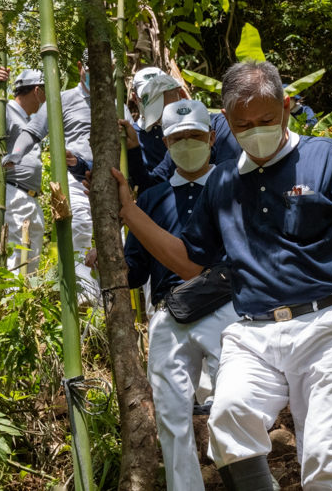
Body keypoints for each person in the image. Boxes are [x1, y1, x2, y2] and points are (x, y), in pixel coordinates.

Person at [97, 60, 332, 490]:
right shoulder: (222, 181)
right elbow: (189, 260)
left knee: (326, 462)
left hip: (329, 325)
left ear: (287, 107)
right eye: (243, 124)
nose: (255, 130)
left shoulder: (325, 156)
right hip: (255, 332)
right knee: (227, 422)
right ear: (226, 123)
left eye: (266, 119)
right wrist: (130, 212)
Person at [86, 99, 240, 491]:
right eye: (177, 138)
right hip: (168, 313)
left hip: (227, 305)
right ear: (166, 144)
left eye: (194, 136)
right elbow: (135, 270)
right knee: (172, 419)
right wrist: (108, 258)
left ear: (211, 137)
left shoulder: (233, 182)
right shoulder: (151, 199)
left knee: (235, 405)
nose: (186, 144)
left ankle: (244, 480)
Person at [2, 55, 132, 302]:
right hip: (76, 176)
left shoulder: (118, 106)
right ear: (81, 68)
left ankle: (117, 298)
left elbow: (134, 144)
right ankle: (84, 298)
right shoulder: (63, 99)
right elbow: (33, 131)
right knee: (79, 230)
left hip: (114, 181)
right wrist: (16, 155)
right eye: (91, 66)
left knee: (120, 238)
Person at [122, 75, 242, 195]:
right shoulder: (176, 147)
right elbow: (150, 188)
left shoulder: (222, 126)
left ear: (182, 95)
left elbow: (228, 182)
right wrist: (133, 150)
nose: (161, 121)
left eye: (196, 135)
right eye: (157, 119)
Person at [0, 68, 46, 274]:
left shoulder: (30, 120)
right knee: (14, 256)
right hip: (8, 192)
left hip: (28, 196)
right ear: (37, 91)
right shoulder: (6, 108)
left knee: (30, 260)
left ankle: (24, 302)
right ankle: (10, 302)